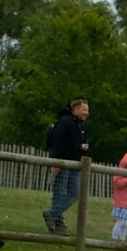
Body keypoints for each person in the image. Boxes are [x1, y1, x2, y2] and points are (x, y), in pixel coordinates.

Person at [43, 98, 89, 236]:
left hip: (75, 164)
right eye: (84, 109)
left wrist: (84, 147)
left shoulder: (80, 126)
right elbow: (57, 142)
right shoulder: (65, 122)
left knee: (74, 193)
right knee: (60, 193)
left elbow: (79, 143)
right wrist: (56, 162)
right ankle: (58, 224)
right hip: (62, 164)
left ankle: (52, 214)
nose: (87, 113)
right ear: (75, 109)